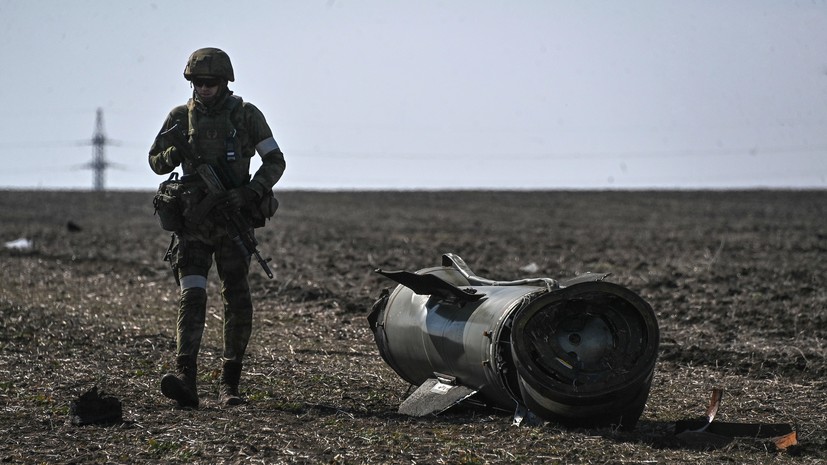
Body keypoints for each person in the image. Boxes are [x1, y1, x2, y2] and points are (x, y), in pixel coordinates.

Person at [148, 47, 286, 408]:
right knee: (192, 295)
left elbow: (275, 160)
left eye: (210, 82)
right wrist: (176, 153)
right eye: (197, 82)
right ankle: (185, 378)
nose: (204, 88)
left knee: (237, 298)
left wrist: (250, 191)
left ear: (225, 81)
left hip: (232, 223)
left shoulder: (246, 115)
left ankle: (230, 384)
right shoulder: (180, 118)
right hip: (193, 224)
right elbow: (155, 161)